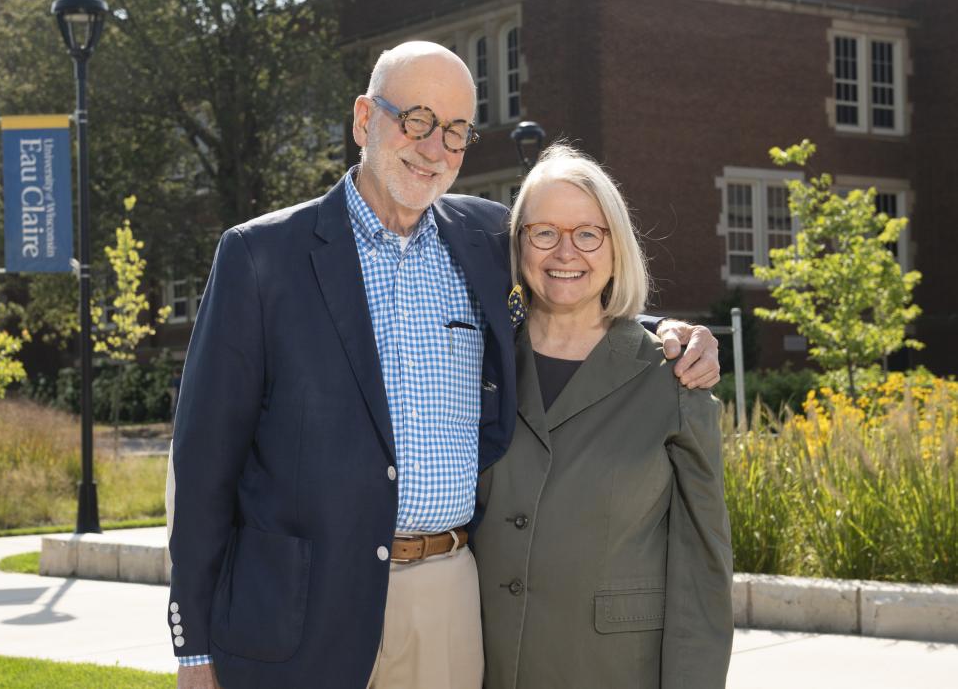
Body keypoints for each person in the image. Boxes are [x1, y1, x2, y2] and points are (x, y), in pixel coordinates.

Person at [166, 41, 720, 689]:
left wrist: (664, 332)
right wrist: (193, 647)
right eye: (417, 121)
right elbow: (203, 465)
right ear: (363, 118)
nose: (435, 148)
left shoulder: (485, 240)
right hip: (298, 610)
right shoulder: (261, 258)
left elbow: (568, 280)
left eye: (455, 132)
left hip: (448, 602)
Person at [473, 145, 733, 689]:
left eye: (587, 234)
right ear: (519, 246)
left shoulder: (673, 378)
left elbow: (701, 567)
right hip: (480, 662)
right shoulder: (479, 367)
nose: (565, 251)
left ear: (616, 247)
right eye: (543, 232)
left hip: (613, 670)